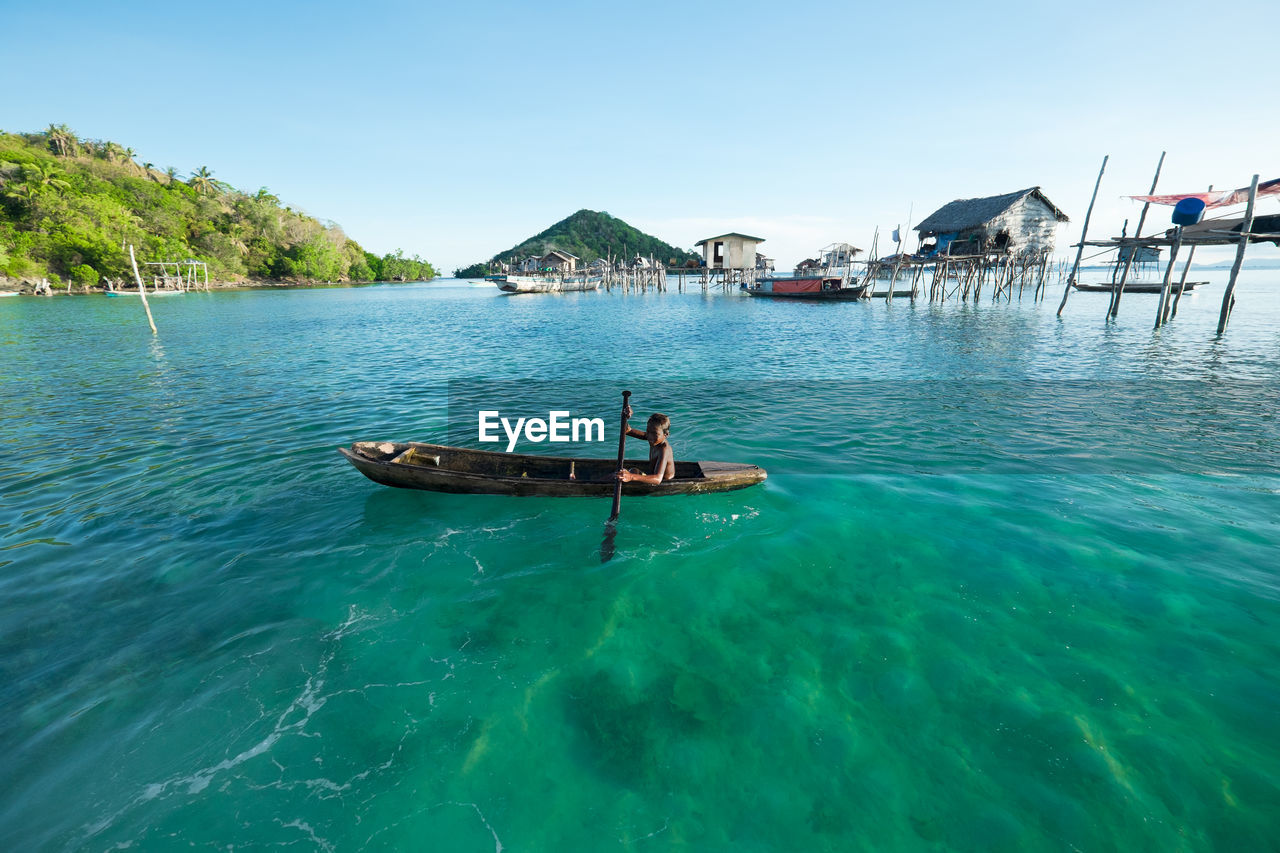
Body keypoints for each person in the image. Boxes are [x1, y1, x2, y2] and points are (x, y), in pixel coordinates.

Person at [615, 406, 675, 484]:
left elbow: (658, 479)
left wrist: (631, 476)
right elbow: (627, 430)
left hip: (662, 480)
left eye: (654, 433)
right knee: (629, 471)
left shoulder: (664, 449)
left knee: (631, 473)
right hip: (652, 474)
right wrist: (625, 416)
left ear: (666, 434)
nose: (650, 436)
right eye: (648, 431)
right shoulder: (653, 438)